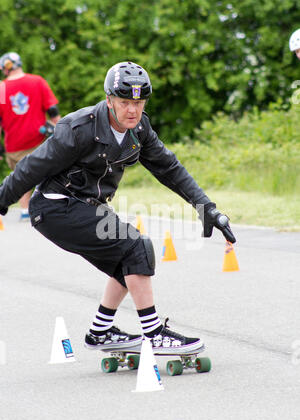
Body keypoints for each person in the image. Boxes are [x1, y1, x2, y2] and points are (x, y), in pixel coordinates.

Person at [0, 61, 236, 354]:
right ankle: (153, 334)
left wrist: (207, 208)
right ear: (109, 99)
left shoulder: (140, 129)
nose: (132, 110)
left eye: (139, 102)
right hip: (54, 207)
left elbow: (170, 169)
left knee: (129, 261)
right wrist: (2, 198)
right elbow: (31, 167)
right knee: (136, 247)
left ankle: (100, 332)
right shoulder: (78, 127)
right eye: (125, 102)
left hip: (90, 207)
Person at [0, 51, 61, 220]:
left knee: (21, 176)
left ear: (5, 68)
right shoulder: (37, 81)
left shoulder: (2, 88)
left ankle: (26, 209)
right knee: (46, 173)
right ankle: (50, 204)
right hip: (38, 141)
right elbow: (53, 111)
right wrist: (61, 131)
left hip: (14, 145)